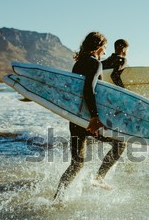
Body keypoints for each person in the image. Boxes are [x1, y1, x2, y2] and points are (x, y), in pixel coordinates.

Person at [54, 32, 126, 199]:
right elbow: (89, 89)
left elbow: (78, 92)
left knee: (77, 164)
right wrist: (94, 117)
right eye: (105, 48)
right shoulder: (95, 63)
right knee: (120, 143)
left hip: (76, 118)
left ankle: (57, 198)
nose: (105, 52)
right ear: (99, 47)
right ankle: (99, 177)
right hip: (88, 119)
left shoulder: (78, 64)